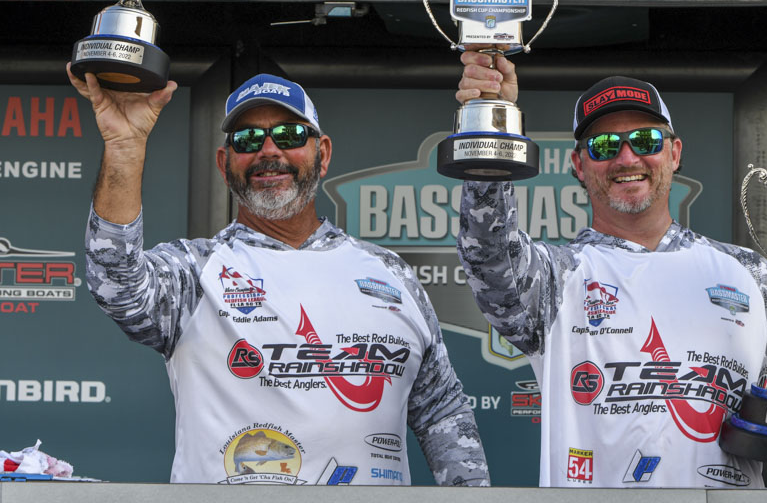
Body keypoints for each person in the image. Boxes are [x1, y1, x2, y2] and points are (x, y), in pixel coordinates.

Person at [454, 51, 767, 488]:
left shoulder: (750, 275)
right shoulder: (555, 278)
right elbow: (488, 252)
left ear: (674, 153)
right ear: (579, 165)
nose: (627, 158)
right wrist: (490, 122)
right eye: (604, 146)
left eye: (646, 141)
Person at [68, 67, 489, 486]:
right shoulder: (195, 271)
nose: (269, 151)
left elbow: (441, 410)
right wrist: (124, 146)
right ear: (224, 164)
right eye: (247, 139)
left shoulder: (391, 273)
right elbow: (116, 284)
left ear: (323, 154)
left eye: (289, 135)